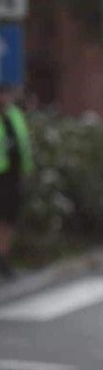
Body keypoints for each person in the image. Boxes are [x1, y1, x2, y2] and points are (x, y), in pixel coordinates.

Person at [0, 83, 34, 281]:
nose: (5, 98)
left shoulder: (14, 115)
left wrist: (26, 170)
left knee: (8, 220)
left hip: (12, 175)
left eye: (7, 94)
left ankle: (3, 259)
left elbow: (23, 144)